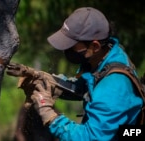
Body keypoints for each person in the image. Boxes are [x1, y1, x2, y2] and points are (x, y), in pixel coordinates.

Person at [24, 7, 143, 140]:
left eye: (72, 45)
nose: (67, 49)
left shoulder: (113, 87)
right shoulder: (103, 59)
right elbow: (83, 87)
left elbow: (90, 138)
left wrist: (50, 115)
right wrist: (52, 82)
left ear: (95, 46)